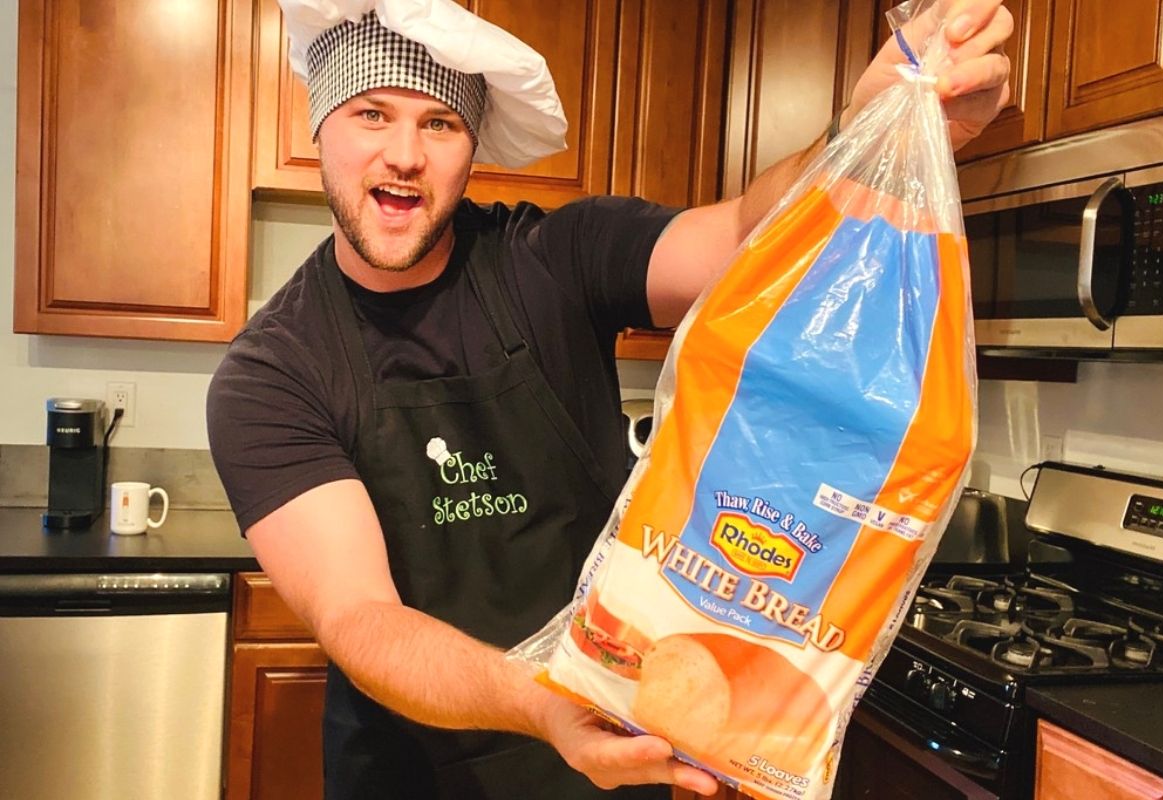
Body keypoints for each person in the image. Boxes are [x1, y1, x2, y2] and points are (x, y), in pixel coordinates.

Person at [207, 1, 1013, 797]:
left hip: (611, 762)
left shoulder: (553, 257)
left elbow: (741, 235)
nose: (404, 154)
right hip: (416, 771)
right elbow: (360, 620)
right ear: (321, 127)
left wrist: (864, 131)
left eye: (441, 123)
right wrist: (547, 704)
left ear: (471, 146)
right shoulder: (272, 372)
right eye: (371, 113)